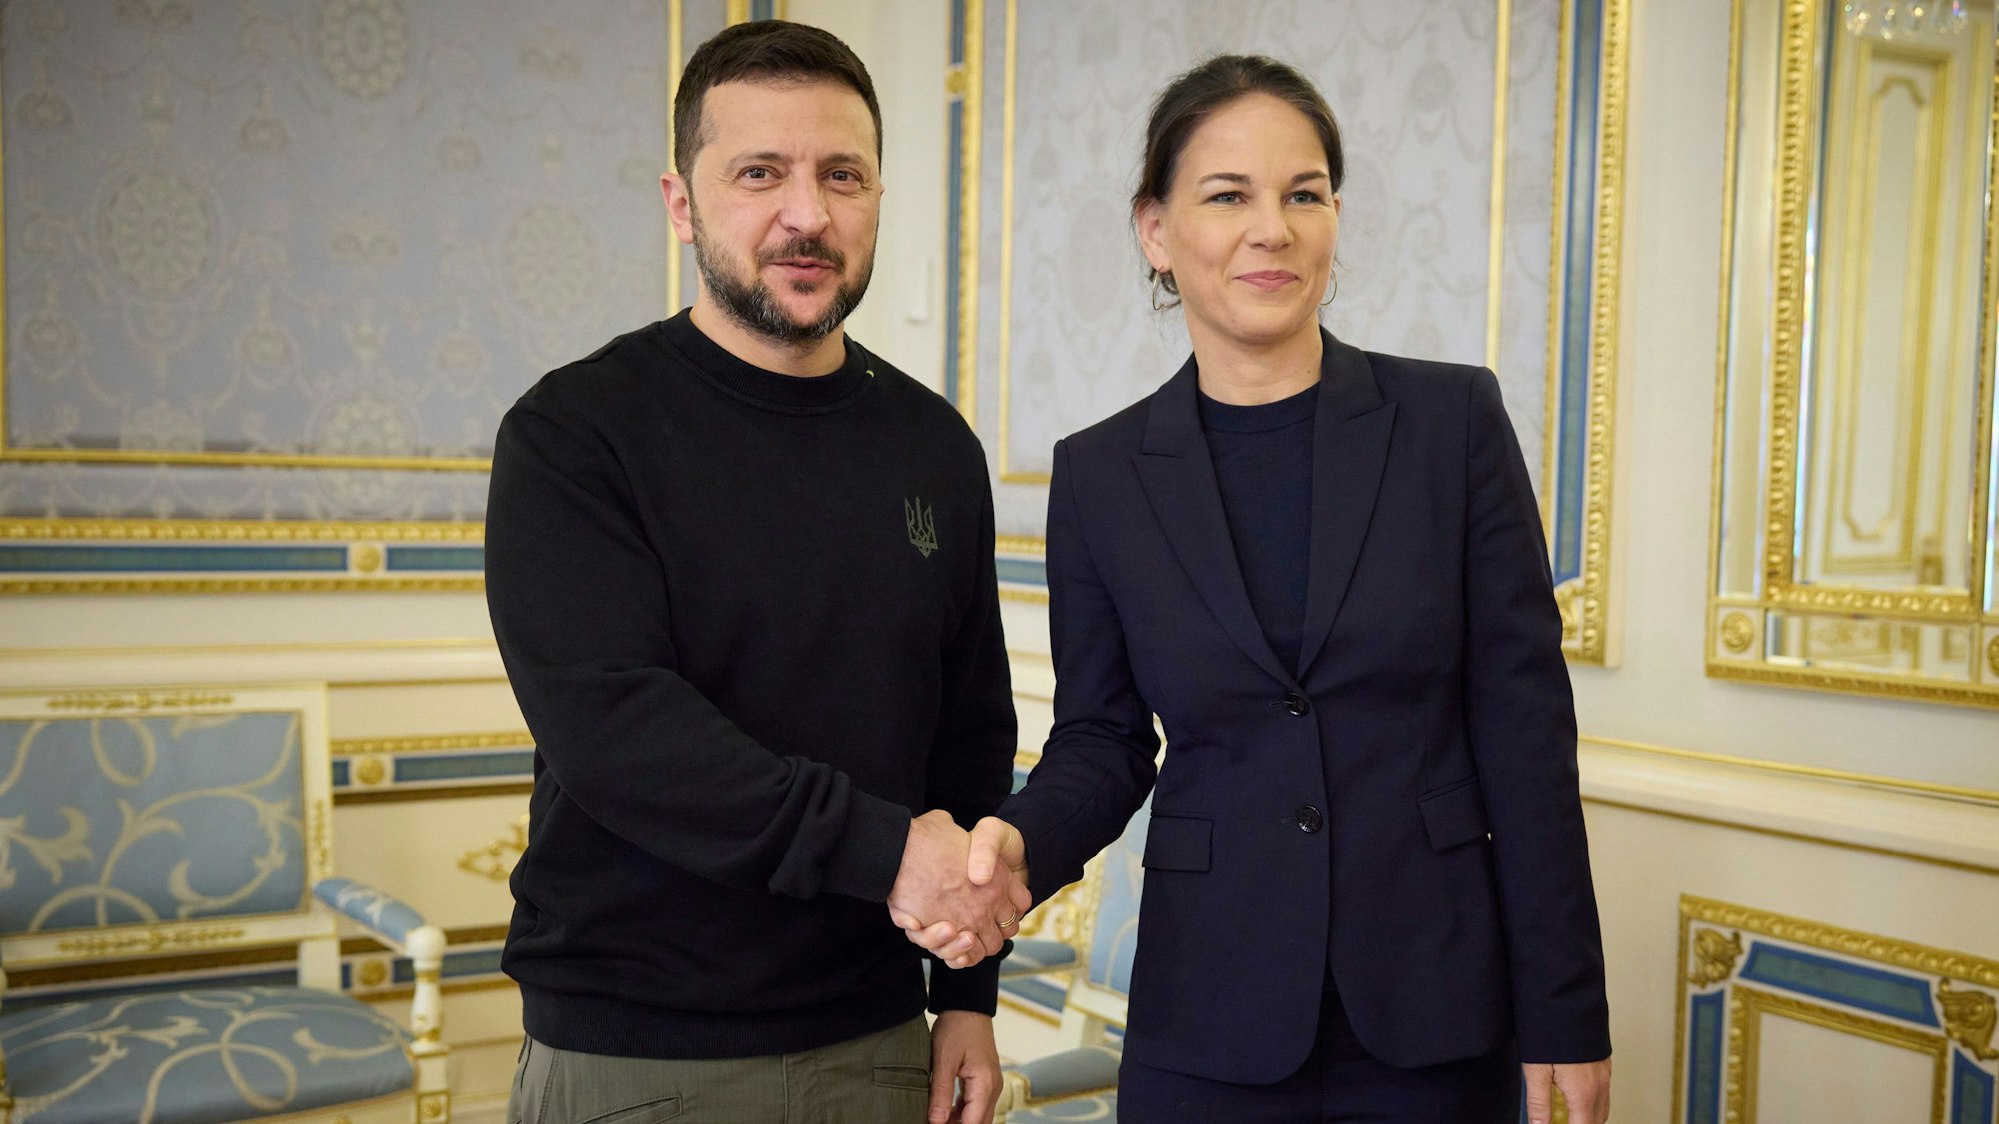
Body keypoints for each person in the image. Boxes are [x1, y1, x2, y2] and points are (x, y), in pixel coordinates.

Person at [905, 55, 1612, 1123]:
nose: (1270, 228)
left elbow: (1523, 727)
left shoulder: (1450, 424)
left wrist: (1565, 1007)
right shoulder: (1099, 474)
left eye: (1304, 193)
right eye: (1227, 195)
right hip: (1209, 1010)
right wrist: (1019, 841)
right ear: (1156, 230)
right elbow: (1103, 736)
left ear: (1334, 217)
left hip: (1436, 1005)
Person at [486, 20, 1027, 1124]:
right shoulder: (575, 432)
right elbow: (618, 732)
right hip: (635, 1053)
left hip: (877, 1038)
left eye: (842, 174)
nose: (806, 214)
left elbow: (968, 733)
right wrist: (887, 852)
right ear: (682, 204)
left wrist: (965, 994)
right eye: (758, 173)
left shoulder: (935, 445)